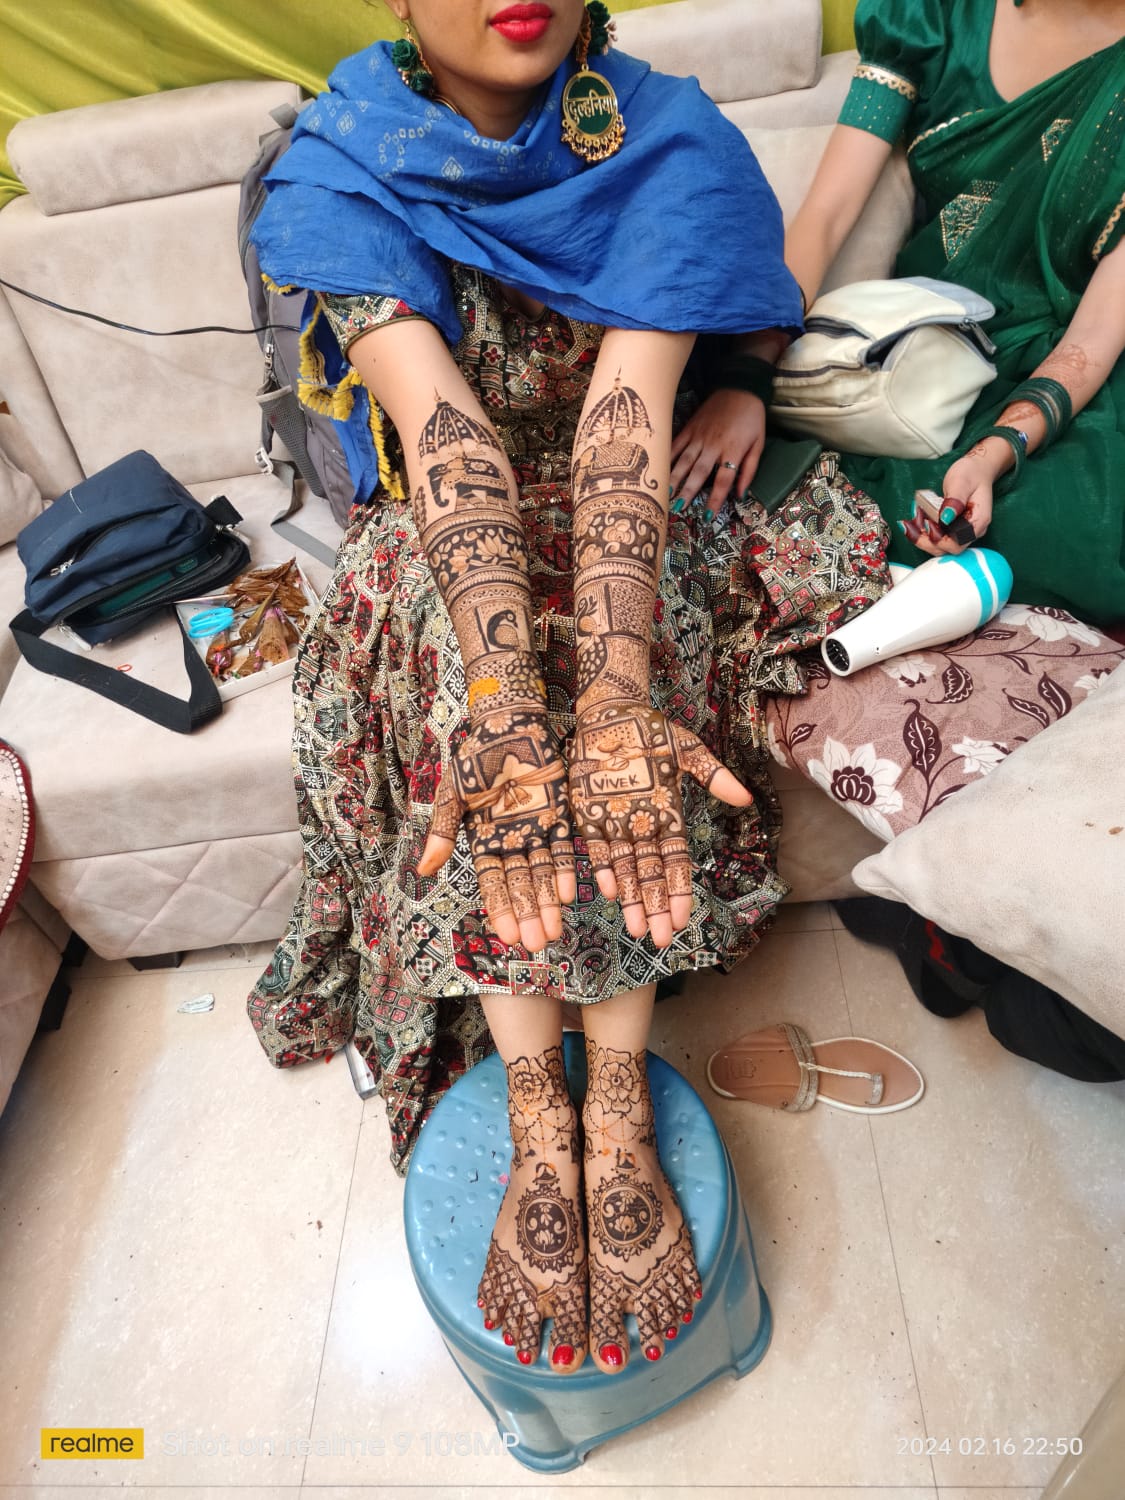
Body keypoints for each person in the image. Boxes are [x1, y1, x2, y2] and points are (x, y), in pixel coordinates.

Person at [246, 0, 886, 1377]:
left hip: (628, 493)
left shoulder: (665, 138)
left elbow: (622, 427)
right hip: (450, 505)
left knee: (622, 701)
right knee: (478, 697)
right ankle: (542, 1114)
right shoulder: (343, 160)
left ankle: (618, 1107)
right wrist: (507, 708)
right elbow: (444, 435)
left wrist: (611, 704)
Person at [677, 0, 1125, 625]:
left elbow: (1090, 343)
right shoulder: (933, 13)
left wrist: (993, 455)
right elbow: (826, 214)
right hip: (922, 342)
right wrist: (747, 375)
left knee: (1086, 541)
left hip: (1060, 379)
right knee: (726, 474)